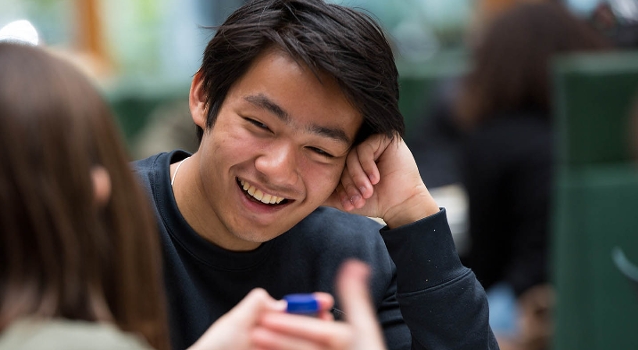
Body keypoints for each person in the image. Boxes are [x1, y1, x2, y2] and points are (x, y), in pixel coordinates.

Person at [0, 38, 390, 350]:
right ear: (203, 99)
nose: (104, 183)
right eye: (75, 163)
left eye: (320, 148)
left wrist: (413, 217)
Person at [132, 0, 498, 349]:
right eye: (259, 124)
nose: (277, 169)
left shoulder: (359, 258)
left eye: (320, 150)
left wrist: (411, 209)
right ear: (203, 96)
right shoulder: (102, 222)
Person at [454, 2, 609, 349]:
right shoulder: (603, 131)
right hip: (606, 292)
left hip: (524, 300)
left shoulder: (493, 138)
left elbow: (487, 256)